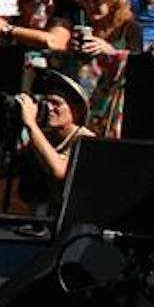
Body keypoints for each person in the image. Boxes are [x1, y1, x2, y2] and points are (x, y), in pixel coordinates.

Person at [13, 70, 94, 213]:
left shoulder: (85, 139)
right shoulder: (45, 137)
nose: (49, 108)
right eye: (47, 102)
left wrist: (31, 124)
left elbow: (59, 170)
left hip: (78, 221)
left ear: (77, 110)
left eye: (56, 103)